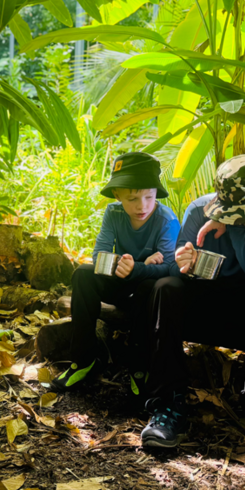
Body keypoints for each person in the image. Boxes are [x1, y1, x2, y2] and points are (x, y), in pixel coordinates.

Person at [140, 154, 245, 458]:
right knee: (165, 288)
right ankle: (168, 404)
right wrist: (186, 262)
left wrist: (235, 226)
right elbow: (176, 269)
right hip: (202, 307)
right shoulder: (199, 211)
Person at [52, 152, 179, 395]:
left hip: (145, 294)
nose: (141, 206)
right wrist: (131, 264)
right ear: (117, 195)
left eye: (148, 197)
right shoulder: (114, 213)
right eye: (132, 198)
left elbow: (172, 268)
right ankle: (84, 359)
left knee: (151, 284)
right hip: (120, 280)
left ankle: (140, 366)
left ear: (156, 194)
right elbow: (99, 254)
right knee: (83, 274)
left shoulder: (166, 220)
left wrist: (139, 268)